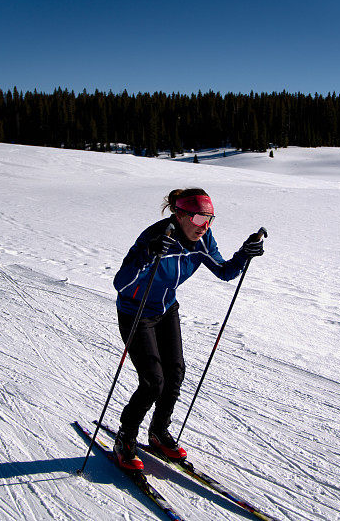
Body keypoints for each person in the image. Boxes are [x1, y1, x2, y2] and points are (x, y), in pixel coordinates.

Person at [111, 188, 265, 470]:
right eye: (198, 218)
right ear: (180, 215)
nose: (204, 226)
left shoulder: (202, 238)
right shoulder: (156, 237)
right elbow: (120, 283)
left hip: (166, 308)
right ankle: (125, 438)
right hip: (136, 311)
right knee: (153, 381)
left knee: (175, 373)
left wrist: (245, 254)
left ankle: (158, 432)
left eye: (209, 219)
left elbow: (225, 271)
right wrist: (147, 254)